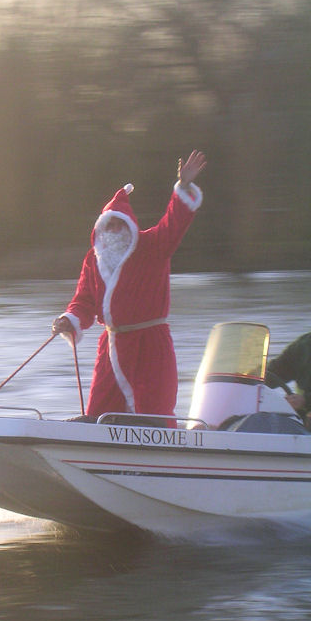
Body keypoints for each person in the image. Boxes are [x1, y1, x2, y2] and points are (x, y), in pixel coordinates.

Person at [52, 150, 206, 420]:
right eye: (108, 225)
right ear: (100, 227)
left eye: (118, 224)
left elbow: (174, 223)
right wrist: (70, 319)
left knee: (153, 409)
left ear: (129, 225)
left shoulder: (152, 247)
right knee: (101, 410)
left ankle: (160, 455)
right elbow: (84, 300)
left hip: (150, 345)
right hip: (111, 345)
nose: (113, 231)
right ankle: (96, 449)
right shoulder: (94, 259)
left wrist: (182, 187)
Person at [266, 331, 311, 426]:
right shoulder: (305, 344)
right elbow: (277, 370)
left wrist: (305, 400)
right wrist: (248, 377)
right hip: (302, 417)